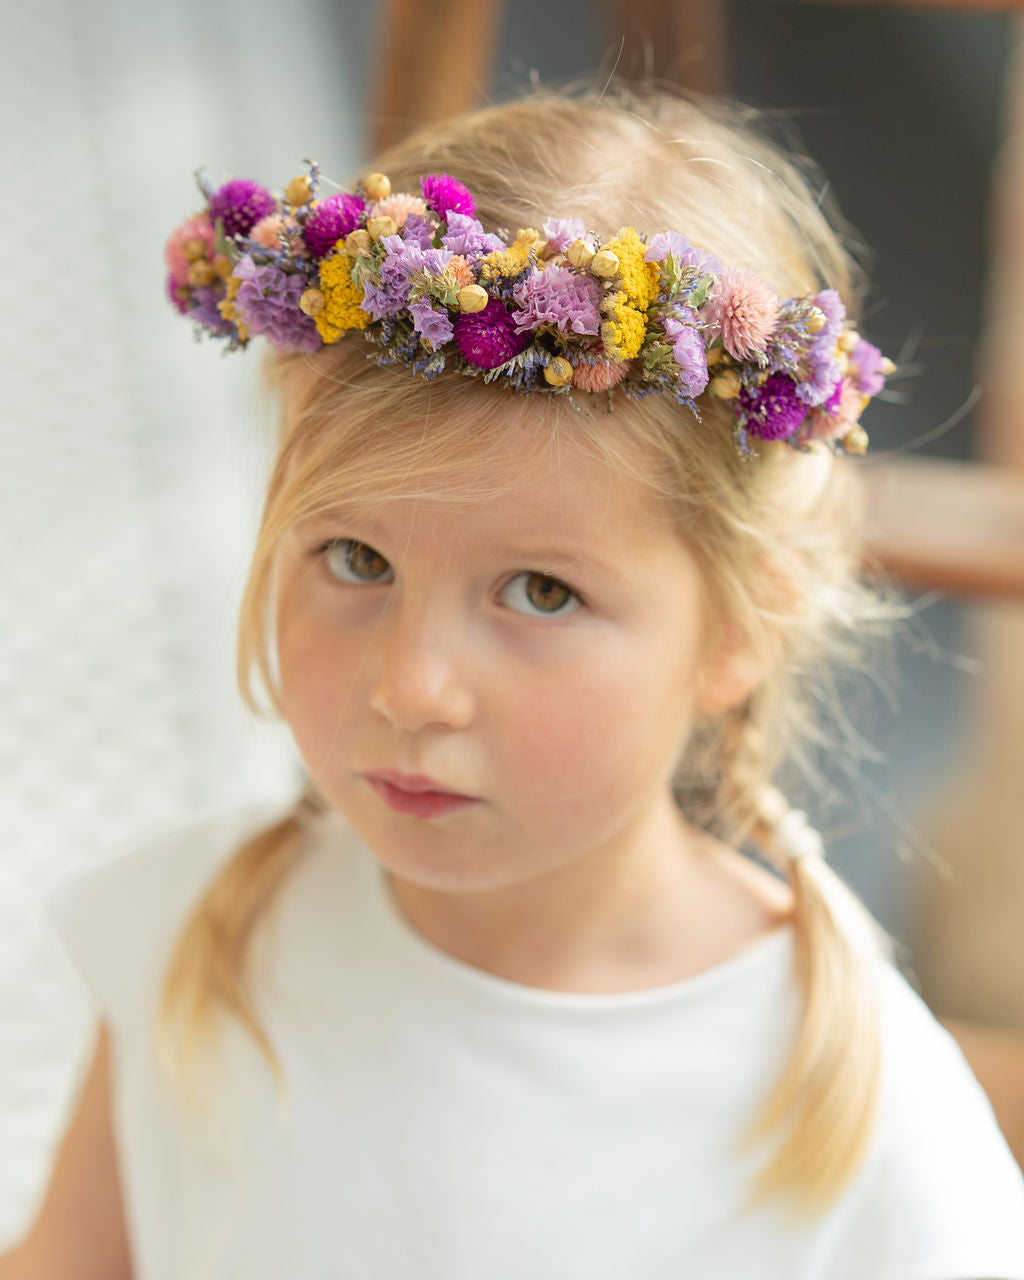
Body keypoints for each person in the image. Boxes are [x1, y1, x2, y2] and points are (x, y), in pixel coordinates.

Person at [5, 84, 1023, 1279]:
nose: (415, 687)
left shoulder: (866, 1131)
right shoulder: (201, 939)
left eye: (541, 591)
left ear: (744, 620)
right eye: (358, 559)